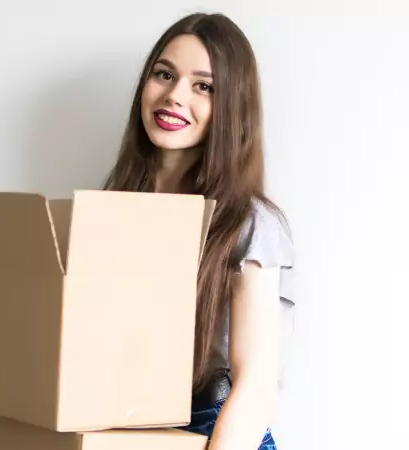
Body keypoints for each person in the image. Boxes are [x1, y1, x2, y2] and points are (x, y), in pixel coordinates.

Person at [102, 12, 295, 450]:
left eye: (203, 86)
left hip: (215, 431)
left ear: (231, 107)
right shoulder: (114, 206)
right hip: (127, 424)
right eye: (163, 74)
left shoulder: (249, 223)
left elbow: (255, 386)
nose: (173, 96)